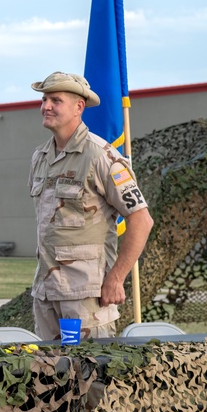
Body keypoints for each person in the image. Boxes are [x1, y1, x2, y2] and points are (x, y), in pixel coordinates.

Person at [29, 72, 154, 340]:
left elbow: (141, 220)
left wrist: (117, 278)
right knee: (48, 379)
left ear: (79, 107)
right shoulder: (40, 158)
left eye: (56, 100)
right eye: (44, 99)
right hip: (46, 294)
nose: (46, 106)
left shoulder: (101, 156)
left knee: (91, 378)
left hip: (86, 299)